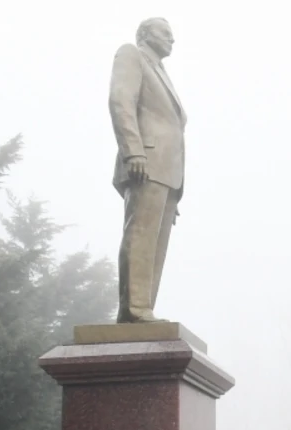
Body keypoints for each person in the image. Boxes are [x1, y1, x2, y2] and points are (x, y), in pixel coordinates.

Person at [109, 17, 186, 323]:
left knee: (155, 247)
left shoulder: (161, 71)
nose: (172, 39)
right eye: (166, 33)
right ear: (144, 34)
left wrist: (173, 186)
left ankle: (144, 309)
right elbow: (120, 101)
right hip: (145, 161)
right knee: (140, 237)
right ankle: (135, 310)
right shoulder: (131, 54)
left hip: (167, 173)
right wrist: (133, 151)